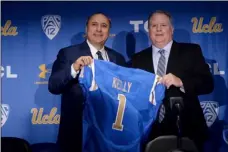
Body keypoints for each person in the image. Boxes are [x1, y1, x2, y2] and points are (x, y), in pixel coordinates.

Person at [131, 10, 214, 151]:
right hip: (150, 130)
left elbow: (208, 84)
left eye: (163, 25)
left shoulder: (191, 51)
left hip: (187, 129)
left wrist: (181, 81)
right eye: (153, 25)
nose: (158, 29)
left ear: (172, 29)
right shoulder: (138, 58)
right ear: (148, 30)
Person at [48, 12, 126, 152]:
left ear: (109, 31)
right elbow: (54, 86)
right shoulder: (68, 54)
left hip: (111, 135)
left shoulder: (118, 59)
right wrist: (74, 68)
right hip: (77, 136)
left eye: (104, 26)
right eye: (94, 25)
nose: (99, 29)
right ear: (86, 28)